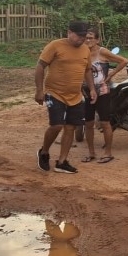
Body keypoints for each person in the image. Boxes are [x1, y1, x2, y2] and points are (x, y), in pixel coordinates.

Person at [35, 21, 96, 174]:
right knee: (56, 125)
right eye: (79, 36)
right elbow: (40, 66)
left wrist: (93, 89)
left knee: (70, 127)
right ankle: (44, 152)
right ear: (69, 32)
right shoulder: (55, 46)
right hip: (54, 92)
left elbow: (87, 70)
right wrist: (39, 90)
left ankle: (62, 162)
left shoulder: (85, 50)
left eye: (85, 36)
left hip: (75, 95)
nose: (82, 39)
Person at [80, 28, 128, 164]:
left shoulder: (103, 52)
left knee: (105, 122)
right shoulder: (81, 52)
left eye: (91, 38)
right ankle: (91, 152)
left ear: (97, 40)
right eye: (86, 38)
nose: (88, 40)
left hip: (102, 91)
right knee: (88, 123)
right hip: (87, 91)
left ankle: (108, 152)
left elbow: (123, 61)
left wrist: (111, 75)